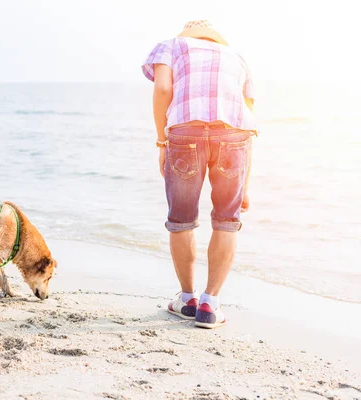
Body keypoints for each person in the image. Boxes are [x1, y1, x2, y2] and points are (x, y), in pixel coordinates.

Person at [141, 20, 256, 328]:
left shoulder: (171, 46)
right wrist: (245, 184)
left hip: (185, 134)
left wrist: (161, 140)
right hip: (234, 137)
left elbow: (163, 88)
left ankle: (187, 298)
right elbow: (248, 117)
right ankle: (210, 305)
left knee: (181, 221)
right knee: (227, 221)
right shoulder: (238, 57)